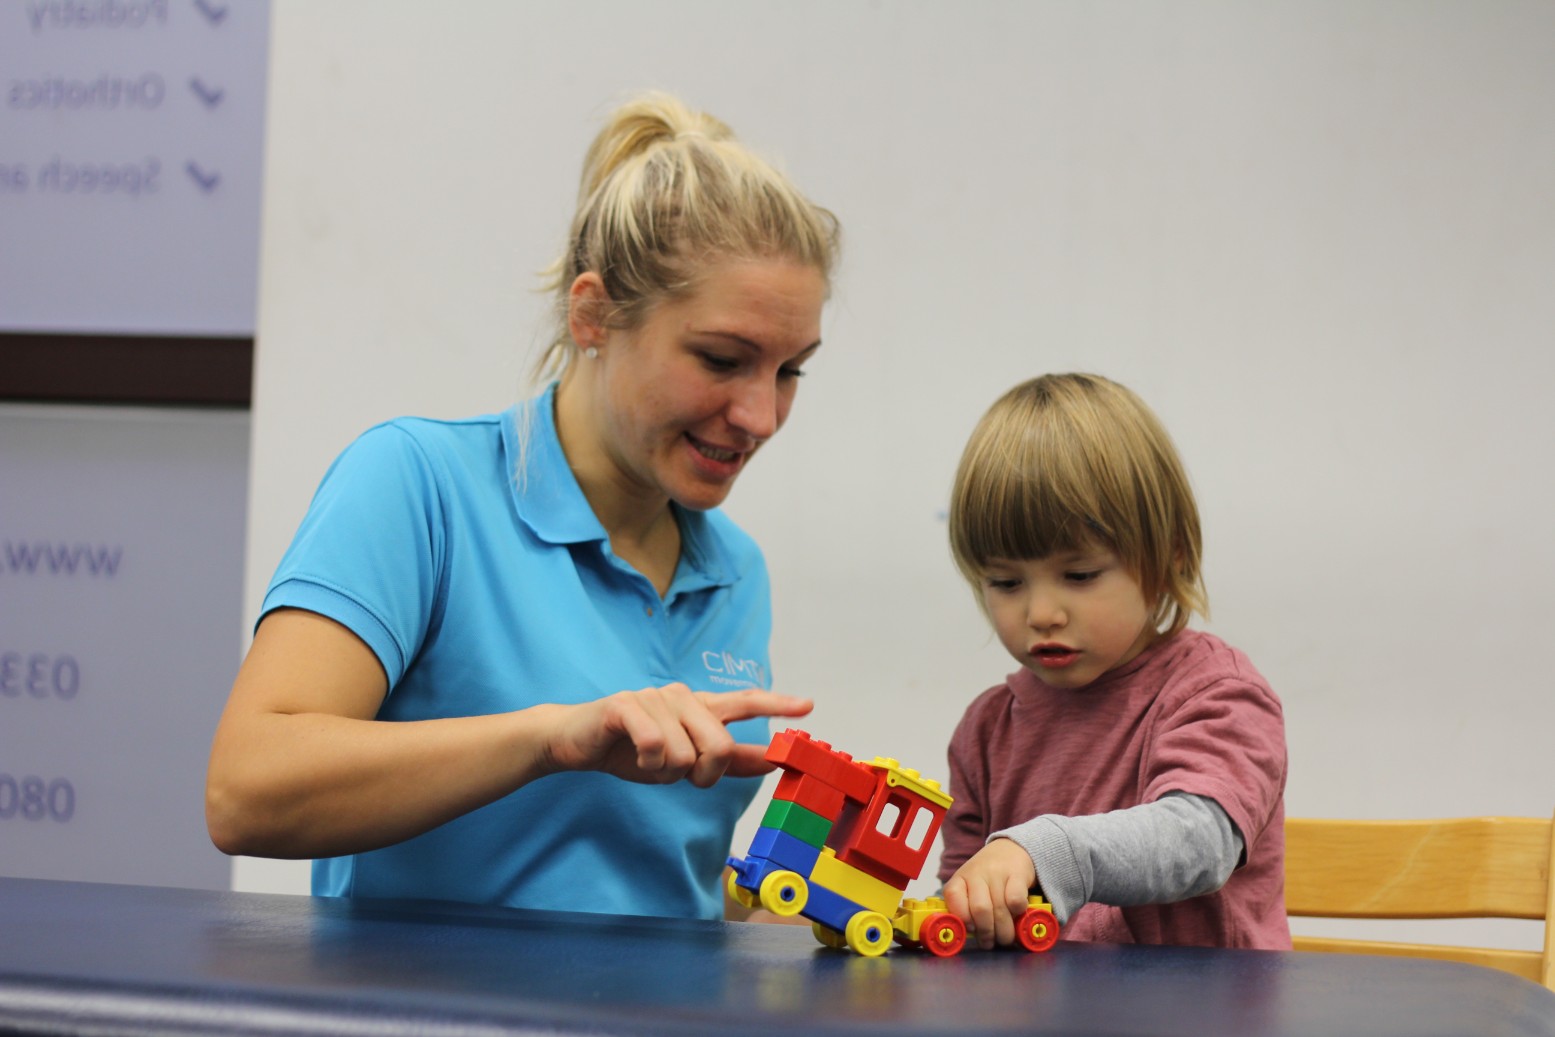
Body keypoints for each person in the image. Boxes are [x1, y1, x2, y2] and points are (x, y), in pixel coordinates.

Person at [204, 91, 840, 923]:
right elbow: (245, 791)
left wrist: (796, 903)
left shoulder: (734, 570)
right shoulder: (418, 485)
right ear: (593, 314)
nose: (760, 415)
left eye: (790, 370)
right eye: (722, 359)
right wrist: (548, 739)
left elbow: (648, 874)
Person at [937, 373, 1288, 950]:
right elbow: (969, 904)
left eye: (1079, 575)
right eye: (1005, 581)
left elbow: (1200, 841)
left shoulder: (1215, 692)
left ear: (1167, 556)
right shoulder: (985, 731)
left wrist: (1045, 850)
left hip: (1202, 1022)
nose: (1041, 612)